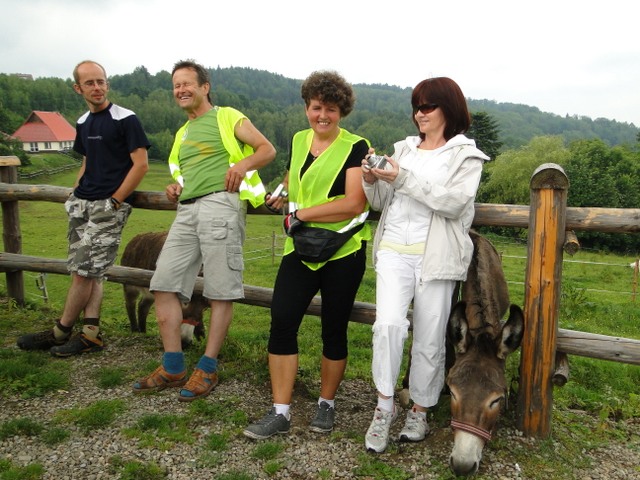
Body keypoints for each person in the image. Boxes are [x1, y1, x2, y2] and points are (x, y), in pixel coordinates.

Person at [132, 60, 276, 402]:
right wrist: (175, 187)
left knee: (220, 291)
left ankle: (208, 367)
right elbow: (185, 172)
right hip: (186, 210)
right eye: (176, 86)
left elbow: (267, 149)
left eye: (187, 84)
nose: (181, 90)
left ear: (204, 87)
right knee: (163, 284)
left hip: (221, 205)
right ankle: (173, 366)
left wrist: (242, 165)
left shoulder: (226, 117)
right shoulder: (182, 133)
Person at [361, 77, 489, 453]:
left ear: (449, 109)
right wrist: (372, 179)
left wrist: (401, 177)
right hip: (393, 250)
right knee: (387, 326)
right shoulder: (404, 149)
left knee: (430, 336)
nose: (420, 113)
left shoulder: (466, 157)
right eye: (416, 106)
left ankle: (419, 410)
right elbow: (380, 201)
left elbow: (454, 203)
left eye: (428, 106)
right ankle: (384, 407)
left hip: (436, 256)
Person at [243, 71, 371, 439]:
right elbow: (294, 175)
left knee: (334, 328)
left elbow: (353, 202)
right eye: (317, 108)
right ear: (306, 108)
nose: (323, 116)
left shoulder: (357, 146)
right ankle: (280, 411)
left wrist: (300, 214)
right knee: (282, 320)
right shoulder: (300, 139)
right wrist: (281, 193)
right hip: (300, 247)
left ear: (341, 112)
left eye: (331, 109)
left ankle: (326, 404)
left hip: (342, 249)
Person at [17, 60, 150, 357]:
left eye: (101, 81)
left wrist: (115, 201)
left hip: (108, 206)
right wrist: (74, 193)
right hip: (82, 204)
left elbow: (141, 165)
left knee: (82, 272)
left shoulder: (125, 118)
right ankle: (91, 335)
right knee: (91, 272)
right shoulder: (82, 122)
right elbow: (87, 159)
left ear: (107, 84)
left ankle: (60, 330)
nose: (97, 87)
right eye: (90, 83)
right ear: (78, 88)